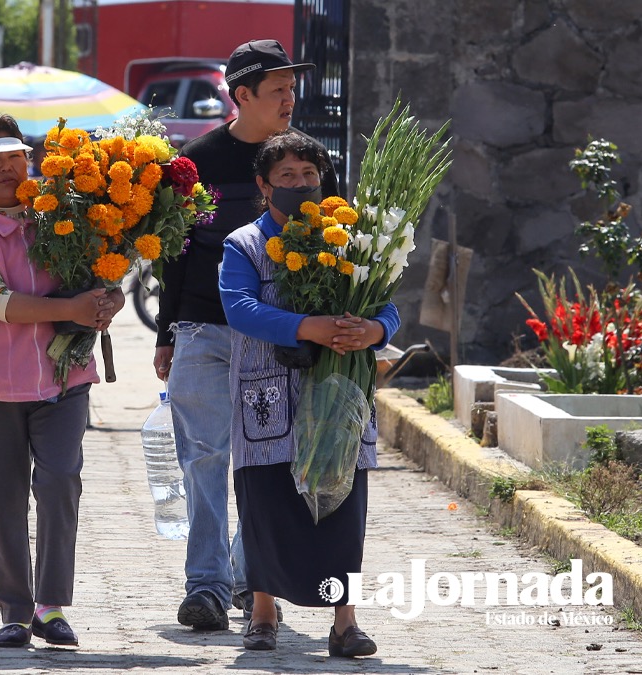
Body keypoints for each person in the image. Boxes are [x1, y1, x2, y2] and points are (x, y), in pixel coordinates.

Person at [153, 38, 340, 631]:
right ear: (242, 96)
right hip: (204, 329)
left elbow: (335, 244)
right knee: (204, 457)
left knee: (269, 461)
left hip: (281, 337)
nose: (290, 98)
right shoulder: (197, 161)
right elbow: (174, 252)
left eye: (292, 88)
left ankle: (247, 576)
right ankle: (205, 586)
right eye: (278, 89)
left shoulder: (307, 162)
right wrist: (166, 332)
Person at [0, 114, 124, 649]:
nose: (7, 169)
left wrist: (109, 298)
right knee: (5, 499)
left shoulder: (64, 218)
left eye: (15, 158)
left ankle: (51, 605)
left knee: (61, 481)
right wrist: (70, 306)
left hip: (66, 378)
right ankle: (15, 611)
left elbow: (103, 280)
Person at [219, 130, 399, 655]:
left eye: (309, 176)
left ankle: (345, 623)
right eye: (287, 177)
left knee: (342, 508)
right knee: (269, 504)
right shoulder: (244, 245)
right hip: (267, 399)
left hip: (339, 395)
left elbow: (387, 301)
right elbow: (240, 309)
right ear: (264, 186)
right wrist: (308, 326)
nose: (300, 185)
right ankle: (263, 612)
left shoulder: (349, 237)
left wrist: (375, 331)